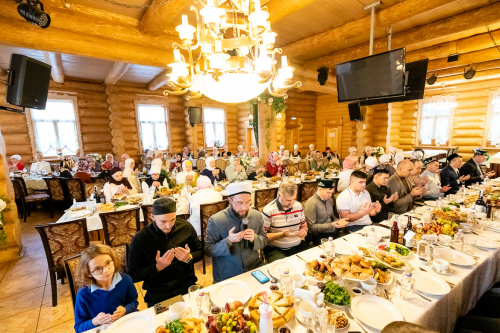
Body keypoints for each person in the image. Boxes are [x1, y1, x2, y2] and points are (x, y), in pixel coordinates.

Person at [127, 198, 203, 307]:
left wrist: (189, 258)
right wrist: (157, 267)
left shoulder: (186, 228)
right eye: (163, 221)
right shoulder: (141, 238)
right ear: (153, 217)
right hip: (158, 292)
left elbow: (200, 251)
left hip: (186, 284)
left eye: (173, 219)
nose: (169, 226)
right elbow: (132, 275)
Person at [205, 182, 267, 283]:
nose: (245, 208)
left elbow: (264, 240)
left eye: (248, 202)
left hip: (254, 268)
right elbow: (208, 250)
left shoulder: (256, 215)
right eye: (239, 203)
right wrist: (228, 241)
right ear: (230, 200)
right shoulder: (216, 220)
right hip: (227, 274)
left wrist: (254, 238)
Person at [74, 244, 138, 333]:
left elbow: (134, 302)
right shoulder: (83, 295)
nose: (106, 270)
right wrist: (95, 321)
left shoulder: (126, 280)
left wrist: (125, 310)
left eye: (108, 263)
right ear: (88, 273)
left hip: (126, 325)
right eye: (97, 269)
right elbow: (78, 328)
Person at [262, 181, 308, 262]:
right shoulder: (268, 210)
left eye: (294, 199)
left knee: (311, 263)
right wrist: (281, 235)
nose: (291, 204)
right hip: (275, 249)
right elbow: (262, 237)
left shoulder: (298, 206)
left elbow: (303, 225)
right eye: (288, 200)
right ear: (279, 195)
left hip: (297, 245)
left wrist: (303, 231)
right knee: (283, 269)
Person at [304, 179, 349, 244]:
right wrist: (331, 225)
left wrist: (339, 222)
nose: (330, 195)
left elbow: (332, 217)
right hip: (320, 236)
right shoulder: (311, 203)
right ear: (320, 190)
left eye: (331, 193)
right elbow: (311, 227)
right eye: (328, 192)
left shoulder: (329, 200)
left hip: (333, 232)